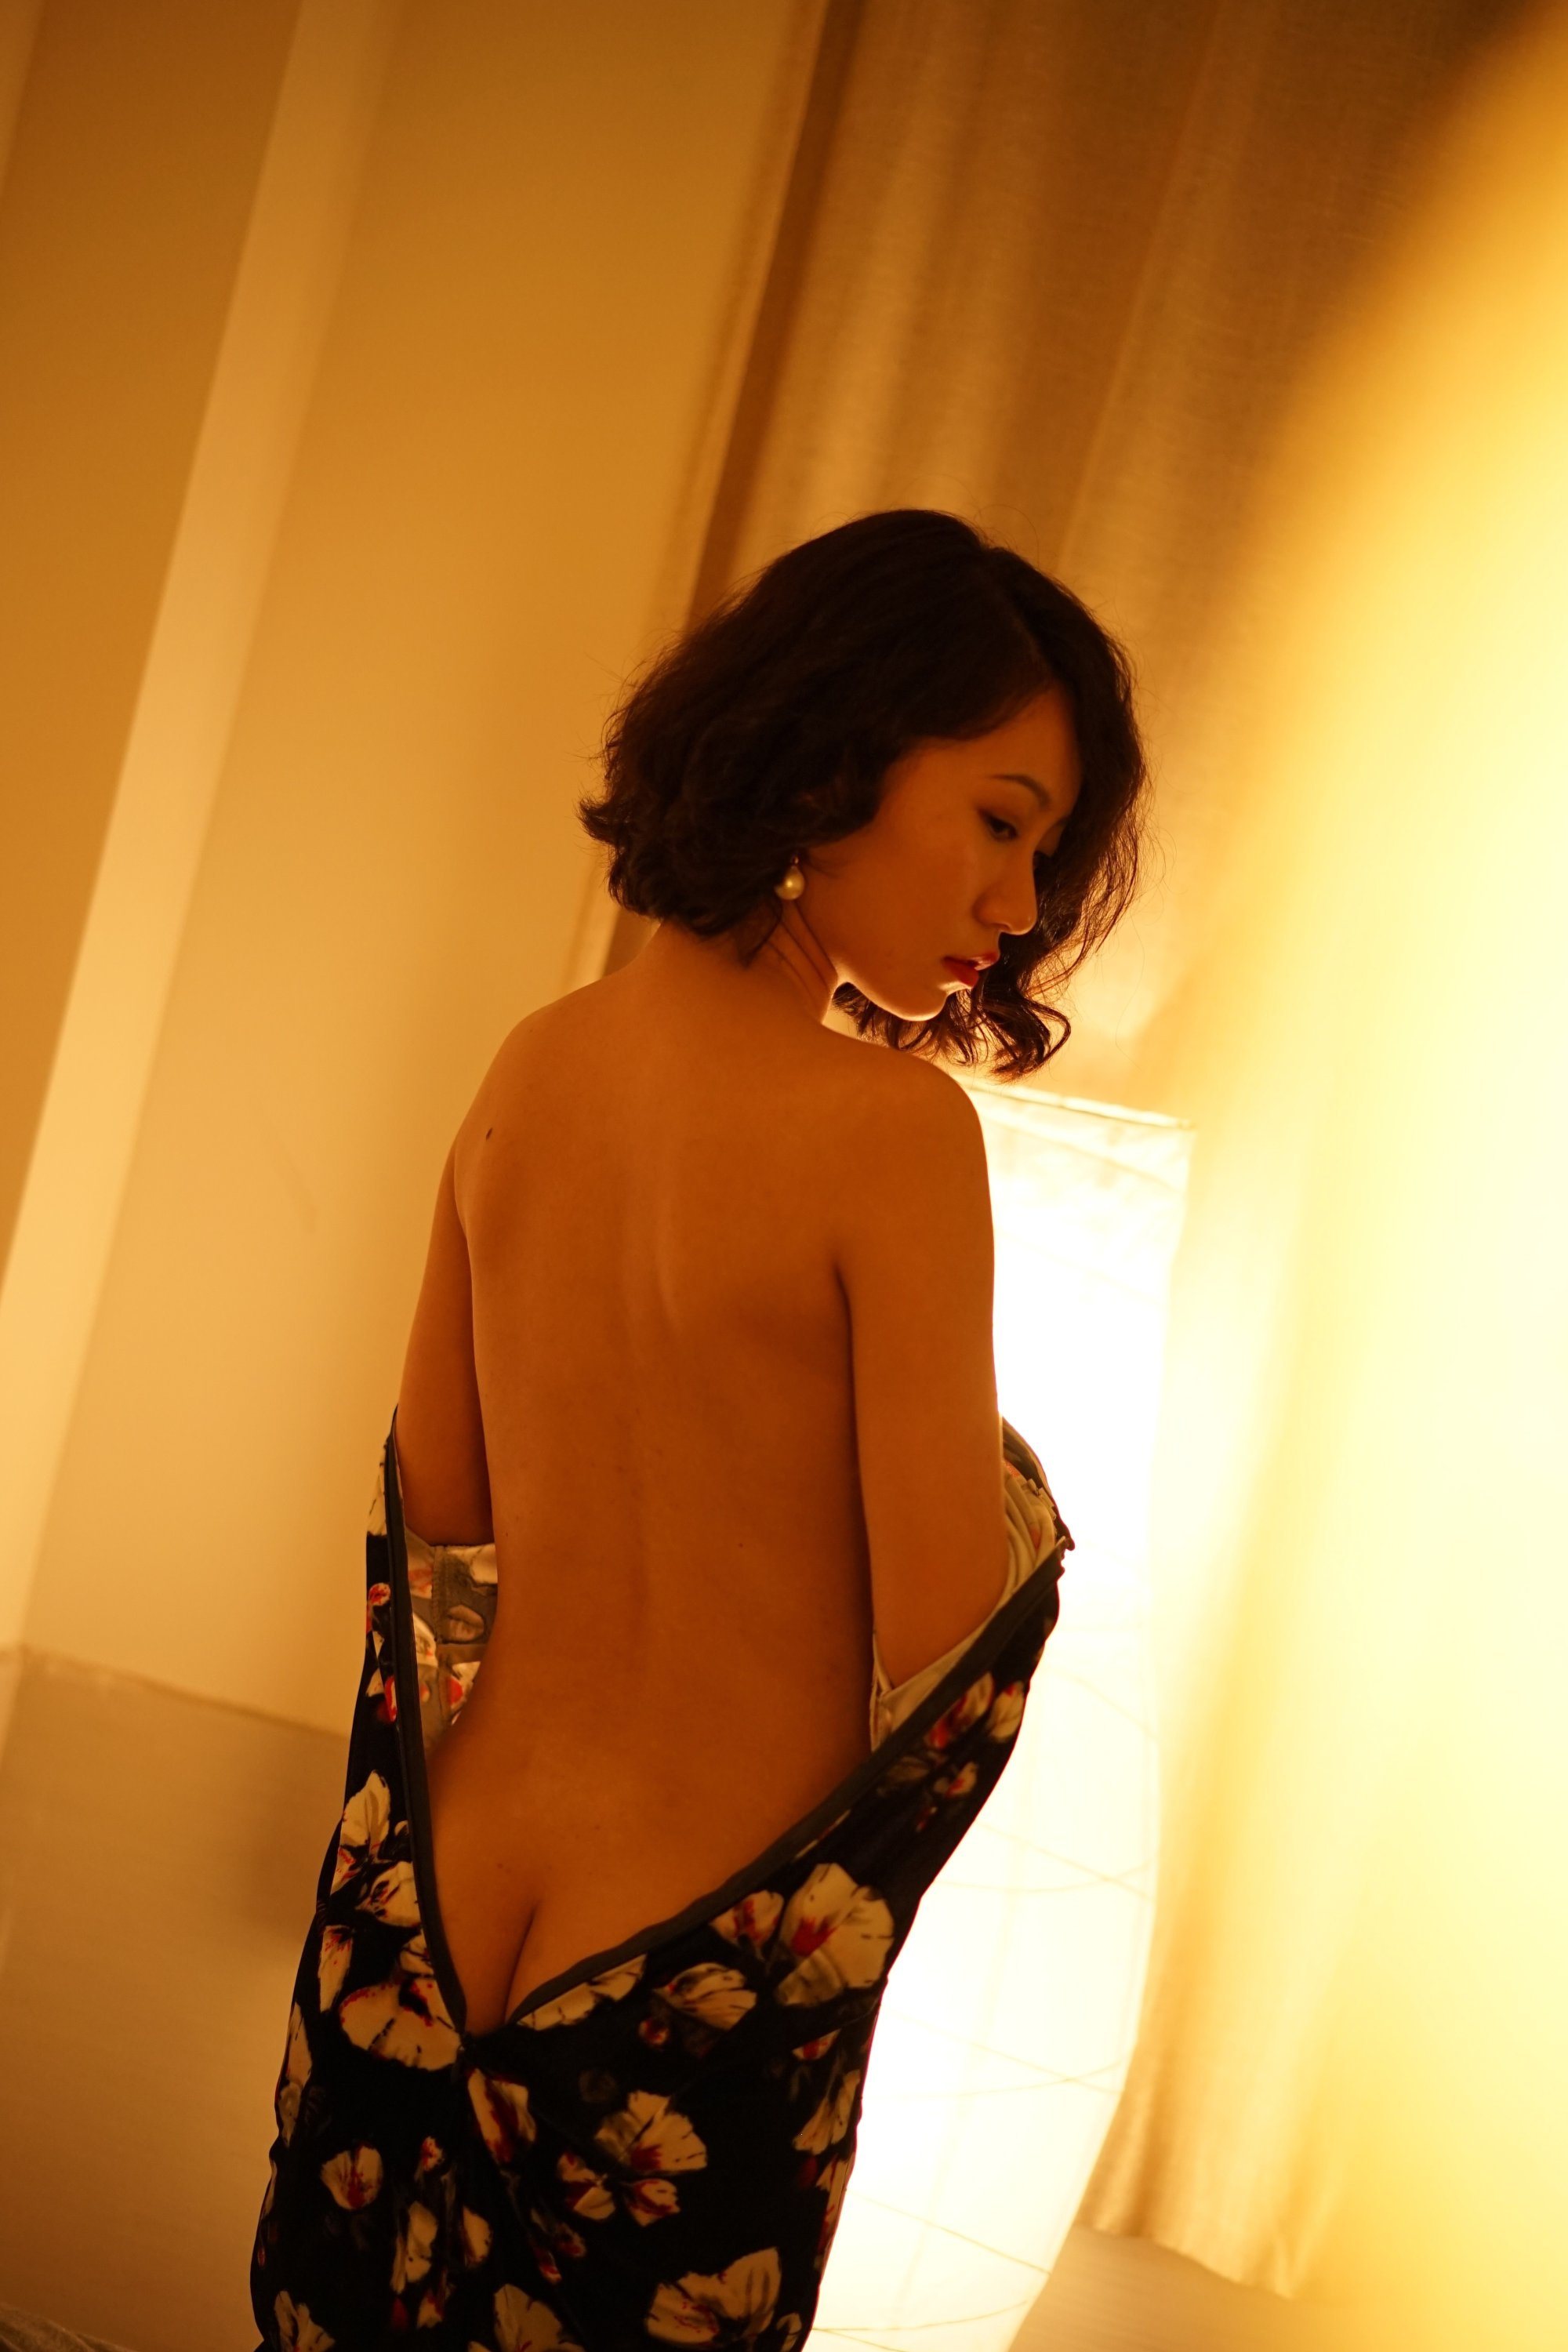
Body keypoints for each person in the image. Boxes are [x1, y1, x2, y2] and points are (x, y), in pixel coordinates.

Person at [250, 508, 1148, 2351]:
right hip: (685, 2002)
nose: (1015, 906)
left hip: (417, 1922)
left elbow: (437, 1529)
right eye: (1001, 821)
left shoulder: (531, 1067)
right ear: (832, 755)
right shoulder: (891, 1142)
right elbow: (938, 1640)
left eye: (1041, 854)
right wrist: (1023, 1509)